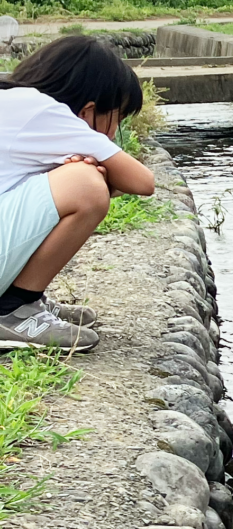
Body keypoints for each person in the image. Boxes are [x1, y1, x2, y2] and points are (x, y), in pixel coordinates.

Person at [0, 34, 156, 351]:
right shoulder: (42, 110)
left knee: (81, 179)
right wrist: (94, 174)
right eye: (118, 119)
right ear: (88, 110)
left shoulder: (17, 104)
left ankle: (21, 299)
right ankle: (14, 310)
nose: (113, 133)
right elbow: (143, 182)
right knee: (85, 185)